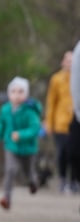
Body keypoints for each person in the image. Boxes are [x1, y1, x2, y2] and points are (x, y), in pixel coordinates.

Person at [0, 77, 41, 210]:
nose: (17, 95)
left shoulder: (30, 111)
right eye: (13, 91)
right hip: (11, 146)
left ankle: (33, 182)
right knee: (10, 170)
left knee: (28, 172)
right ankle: (6, 198)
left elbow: (35, 128)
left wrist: (21, 135)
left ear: (26, 94)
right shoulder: (5, 110)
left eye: (20, 92)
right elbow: (0, 124)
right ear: (9, 94)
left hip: (28, 148)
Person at [43, 50, 75, 193]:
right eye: (67, 60)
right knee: (62, 152)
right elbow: (51, 101)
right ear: (63, 62)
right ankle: (62, 179)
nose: (70, 63)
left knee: (74, 153)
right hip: (60, 122)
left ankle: (74, 180)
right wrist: (48, 122)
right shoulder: (56, 79)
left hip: (75, 122)